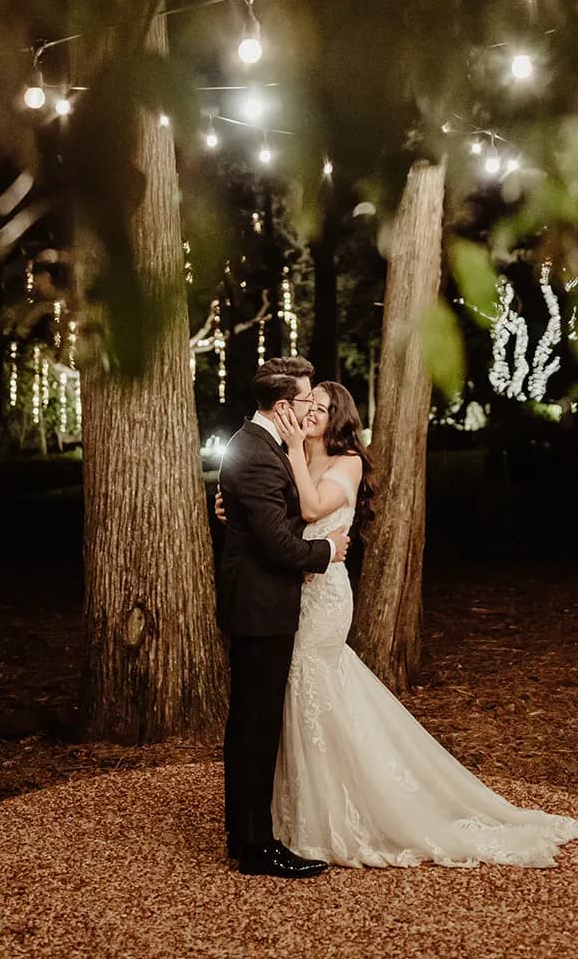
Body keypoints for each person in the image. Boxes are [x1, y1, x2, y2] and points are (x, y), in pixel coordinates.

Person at [268, 379, 578, 868]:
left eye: (322, 408)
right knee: (314, 695)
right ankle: (310, 806)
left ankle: (351, 811)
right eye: (308, 405)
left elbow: (311, 509)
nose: (310, 413)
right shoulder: (300, 460)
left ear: (339, 419)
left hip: (326, 600)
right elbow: (281, 521)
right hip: (297, 594)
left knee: (312, 683)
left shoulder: (346, 462)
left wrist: (291, 447)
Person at [216, 357, 351, 878]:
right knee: (256, 725)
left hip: (261, 601)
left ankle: (243, 831)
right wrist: (326, 553)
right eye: (305, 399)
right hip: (261, 605)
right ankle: (256, 846)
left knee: (252, 722)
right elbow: (275, 543)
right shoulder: (256, 451)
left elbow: (267, 512)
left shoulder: (256, 445)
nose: (312, 406)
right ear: (283, 407)